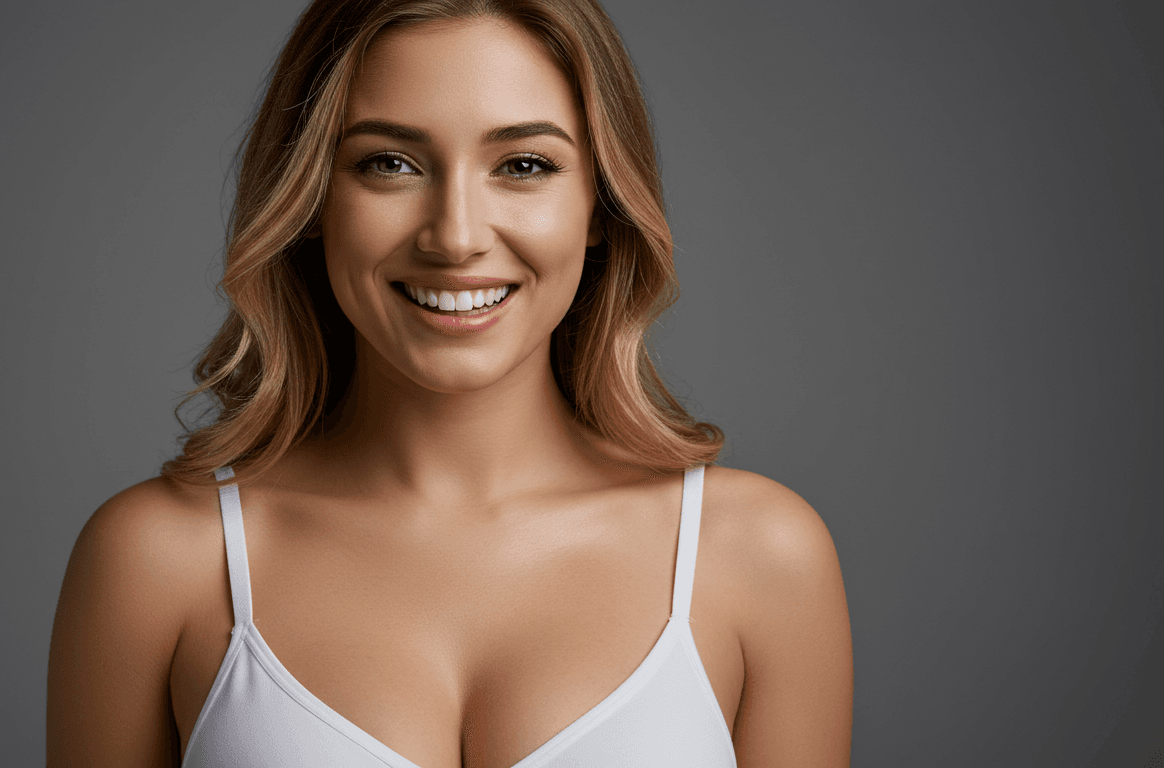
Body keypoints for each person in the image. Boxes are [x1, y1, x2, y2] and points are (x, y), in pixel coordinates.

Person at [47, 0, 853, 765]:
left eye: (524, 165)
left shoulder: (760, 560)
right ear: (314, 197)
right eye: (389, 163)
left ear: (600, 205)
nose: (457, 237)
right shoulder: (157, 561)